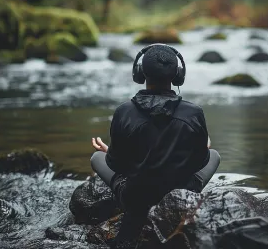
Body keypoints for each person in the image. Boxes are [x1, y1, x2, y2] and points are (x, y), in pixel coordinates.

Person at [90, 44, 220, 247]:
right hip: (182, 195)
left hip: (135, 200)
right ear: (178, 75)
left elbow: (117, 166)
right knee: (214, 155)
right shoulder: (194, 112)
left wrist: (110, 151)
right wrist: (204, 146)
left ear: (140, 73)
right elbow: (199, 162)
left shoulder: (123, 112)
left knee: (97, 158)